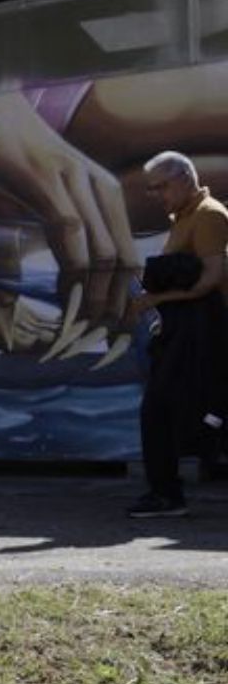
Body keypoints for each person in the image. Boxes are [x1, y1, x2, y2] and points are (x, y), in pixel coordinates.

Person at [124, 151, 228, 517]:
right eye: (152, 189)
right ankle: (165, 492)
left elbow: (213, 278)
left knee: (162, 410)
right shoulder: (184, 217)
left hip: (206, 329)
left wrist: (157, 296)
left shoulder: (209, 215)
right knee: (172, 410)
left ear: (185, 178)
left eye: (162, 186)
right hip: (185, 328)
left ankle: (167, 494)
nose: (157, 195)